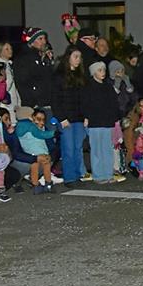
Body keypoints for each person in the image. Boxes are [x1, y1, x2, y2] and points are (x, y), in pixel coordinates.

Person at [51, 45, 87, 187]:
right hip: (66, 118)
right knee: (68, 148)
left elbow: (84, 99)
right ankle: (70, 178)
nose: (78, 60)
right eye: (75, 57)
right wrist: (61, 118)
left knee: (78, 147)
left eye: (79, 57)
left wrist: (86, 116)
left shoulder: (80, 77)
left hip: (78, 117)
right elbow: (55, 99)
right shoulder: (59, 76)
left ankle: (78, 175)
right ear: (68, 58)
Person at [81, 61, 121, 184]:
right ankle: (98, 175)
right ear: (93, 72)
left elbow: (114, 103)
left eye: (103, 70)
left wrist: (115, 117)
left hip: (107, 121)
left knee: (107, 149)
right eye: (99, 70)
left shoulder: (108, 87)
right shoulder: (88, 87)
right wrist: (86, 117)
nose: (102, 73)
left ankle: (108, 173)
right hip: (95, 122)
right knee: (97, 149)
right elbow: (85, 103)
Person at [15, 107, 56, 193]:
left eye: (43, 119)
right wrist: (53, 133)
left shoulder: (41, 128)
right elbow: (40, 135)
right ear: (32, 118)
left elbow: (51, 145)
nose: (41, 122)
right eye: (38, 119)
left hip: (43, 153)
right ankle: (36, 184)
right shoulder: (31, 128)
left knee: (46, 166)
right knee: (35, 167)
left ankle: (46, 183)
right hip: (32, 155)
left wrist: (50, 154)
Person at [0, 42, 22, 124]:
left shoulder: (7, 65)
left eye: (10, 48)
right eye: (6, 49)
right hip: (6, 105)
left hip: (11, 104)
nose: (10, 51)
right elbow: (3, 86)